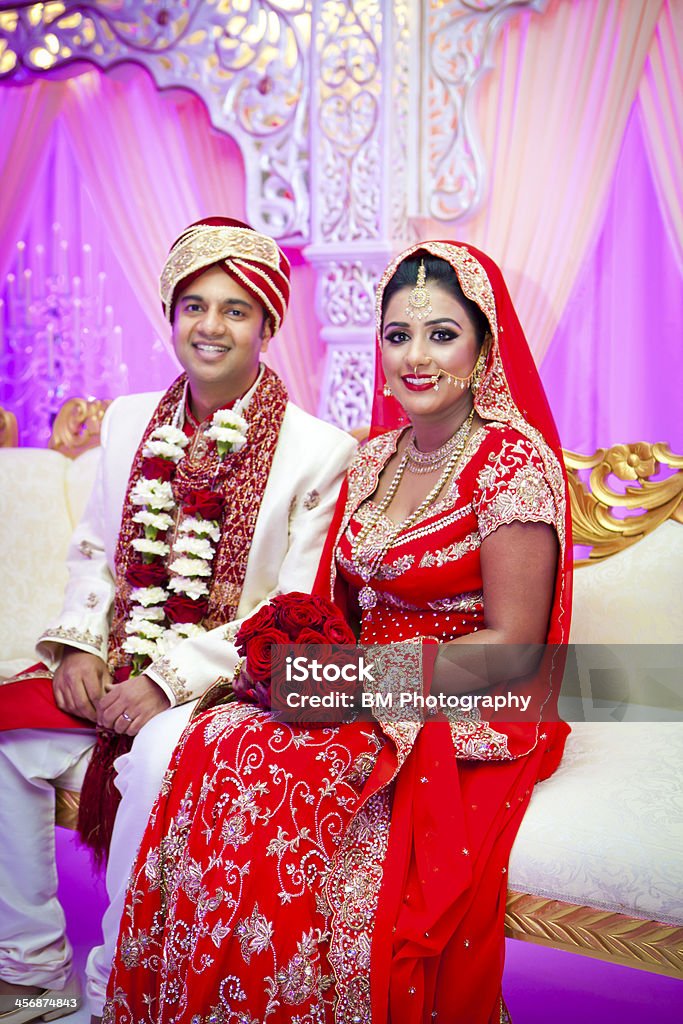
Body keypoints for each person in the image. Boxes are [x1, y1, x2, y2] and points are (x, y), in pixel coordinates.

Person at [104, 241, 572, 1023]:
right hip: (360, 681)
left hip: (469, 693)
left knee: (284, 776)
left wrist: (355, 682)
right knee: (215, 739)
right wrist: (291, 662)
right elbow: (332, 605)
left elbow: (517, 647)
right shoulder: (374, 456)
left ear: (483, 346)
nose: (415, 357)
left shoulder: (510, 466)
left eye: (441, 334)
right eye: (397, 336)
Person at [0, 217, 357, 1023]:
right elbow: (94, 549)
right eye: (193, 305)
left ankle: (105, 997)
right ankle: (30, 978)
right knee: (7, 735)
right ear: (170, 315)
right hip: (119, 660)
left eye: (236, 310)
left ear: (268, 325)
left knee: (156, 767)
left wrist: (168, 682)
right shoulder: (129, 420)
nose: (210, 327)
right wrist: (79, 647)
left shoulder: (318, 450)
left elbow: (292, 609)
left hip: (223, 690)